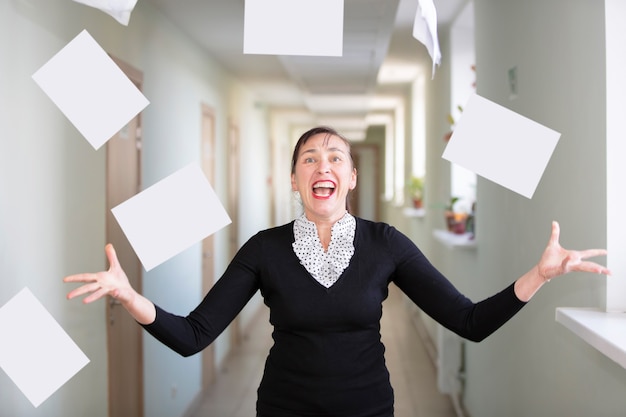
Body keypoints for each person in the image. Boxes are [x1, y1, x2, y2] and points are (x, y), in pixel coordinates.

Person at [64, 126, 610, 417]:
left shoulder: (386, 244)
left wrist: (538, 275)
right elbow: (193, 336)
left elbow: (468, 320)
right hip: (283, 409)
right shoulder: (264, 249)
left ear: (350, 178)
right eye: (309, 158)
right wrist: (130, 297)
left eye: (335, 158)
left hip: (368, 409)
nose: (322, 165)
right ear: (295, 181)